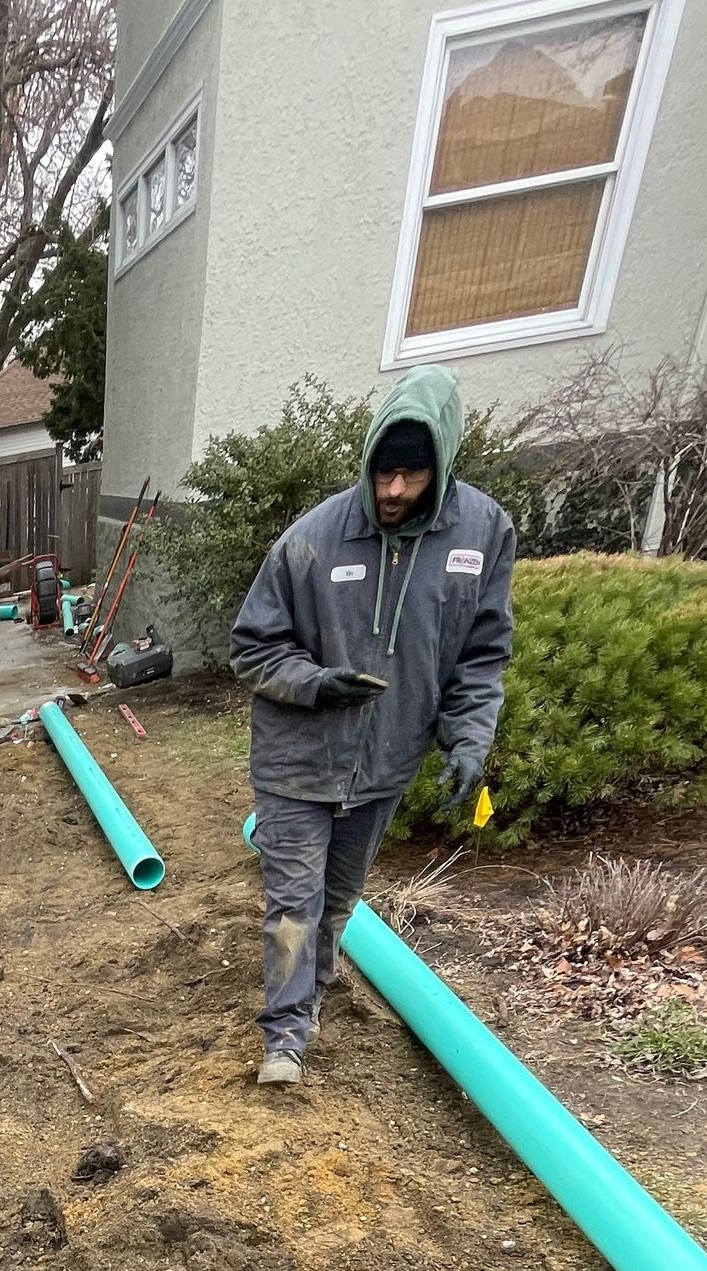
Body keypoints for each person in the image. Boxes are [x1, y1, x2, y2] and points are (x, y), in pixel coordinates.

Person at [230, 364, 514, 1087]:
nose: (392, 491)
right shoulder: (312, 541)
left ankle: (311, 994)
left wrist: (469, 737)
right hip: (297, 762)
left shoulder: (483, 534)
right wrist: (315, 684)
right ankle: (286, 1037)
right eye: (383, 473)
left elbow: (481, 655)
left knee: (337, 900)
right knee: (294, 901)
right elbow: (252, 647)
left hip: (384, 763)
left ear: (442, 467)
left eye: (411, 476)